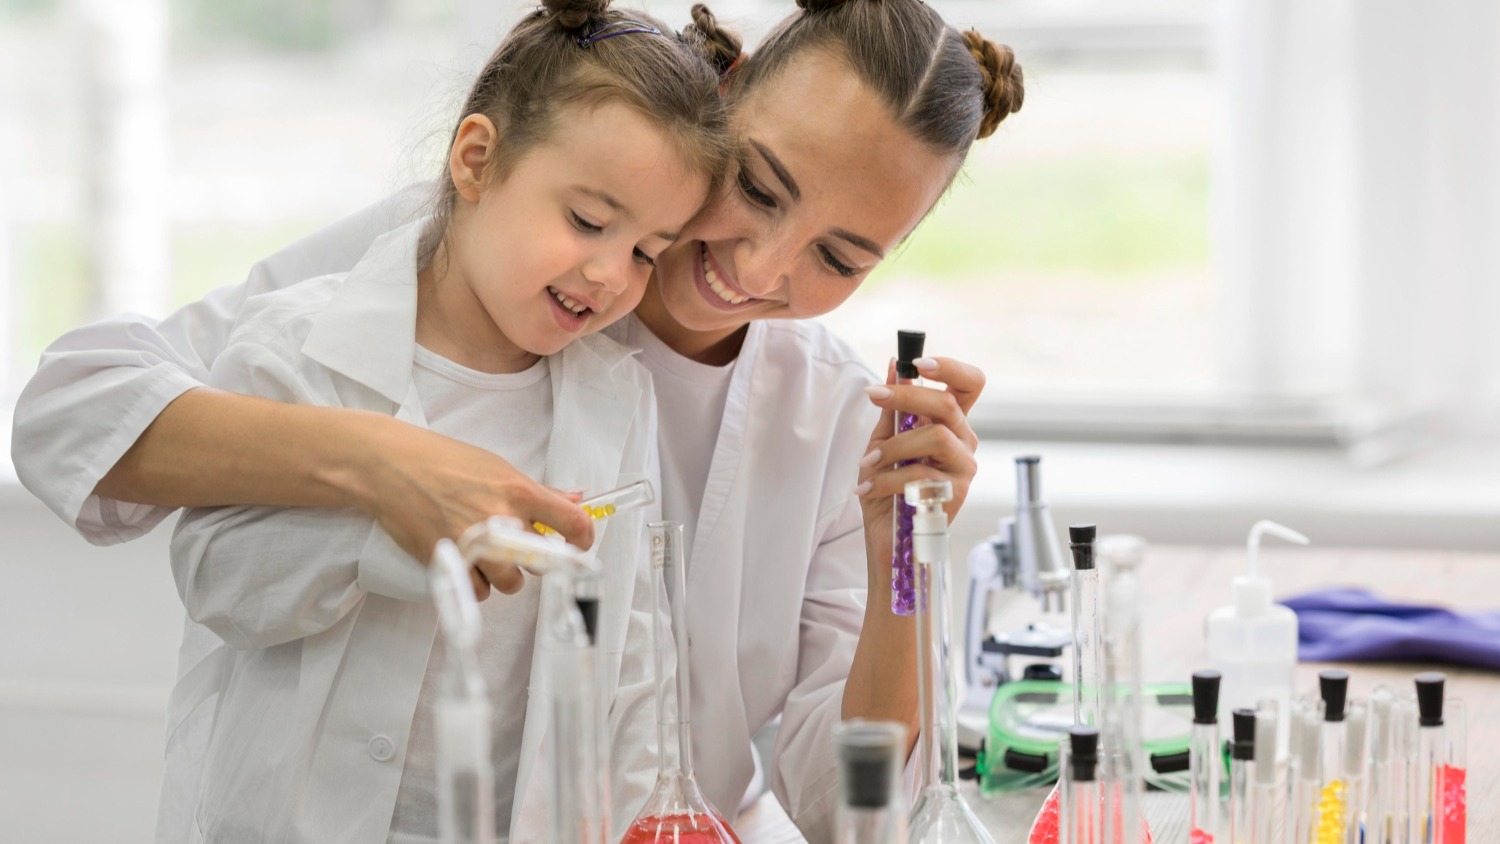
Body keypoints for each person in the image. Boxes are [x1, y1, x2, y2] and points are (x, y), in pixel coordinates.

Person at [11, 0, 1024, 840]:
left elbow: (862, 810)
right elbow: (73, 408)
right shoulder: (465, 255)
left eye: (839, 259)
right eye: (756, 186)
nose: (760, 268)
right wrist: (379, 465)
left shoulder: (835, 414)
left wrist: (909, 559)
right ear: (723, 96)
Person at [132, 0, 731, 840]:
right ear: (477, 159)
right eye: (589, 222)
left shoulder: (613, 398)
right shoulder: (299, 343)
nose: (609, 275)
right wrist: (383, 541)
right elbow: (217, 576)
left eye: (646, 253)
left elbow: (628, 660)